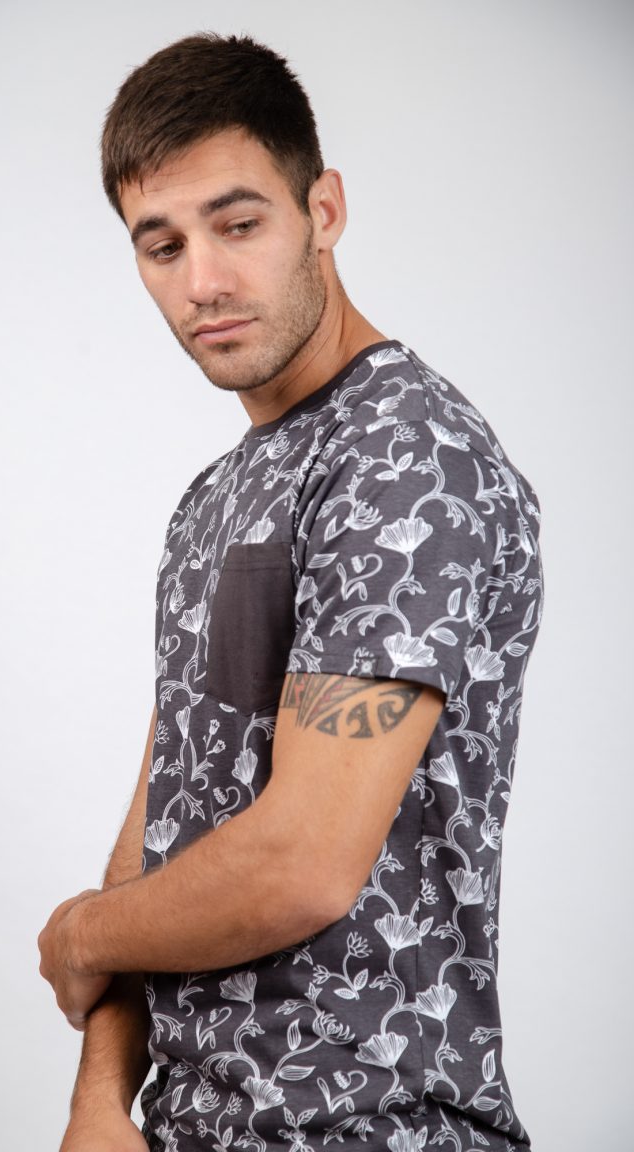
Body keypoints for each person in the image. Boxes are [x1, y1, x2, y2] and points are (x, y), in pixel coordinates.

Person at [38, 33, 542, 1152]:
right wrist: (98, 1100)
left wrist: (81, 937)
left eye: (239, 224)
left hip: (373, 1123)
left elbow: (304, 863)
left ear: (324, 210)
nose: (203, 282)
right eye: (162, 245)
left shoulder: (407, 457)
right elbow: (162, 820)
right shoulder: (210, 501)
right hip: (187, 1126)